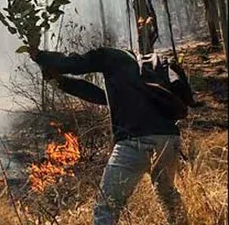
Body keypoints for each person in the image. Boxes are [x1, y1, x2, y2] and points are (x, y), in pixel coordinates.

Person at [28, 46, 191, 225]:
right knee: (168, 197)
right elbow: (98, 95)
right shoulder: (143, 72)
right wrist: (60, 82)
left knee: (106, 208)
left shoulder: (109, 55)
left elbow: (73, 64)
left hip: (135, 140)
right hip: (169, 140)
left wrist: (40, 56)